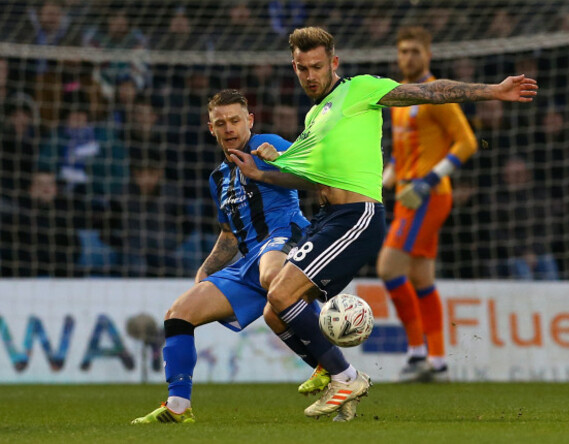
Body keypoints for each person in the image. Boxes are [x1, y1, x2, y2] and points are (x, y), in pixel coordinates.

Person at [230, 26, 537, 419]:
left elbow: (428, 91)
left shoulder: (360, 90)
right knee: (275, 312)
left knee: (281, 295)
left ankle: (346, 377)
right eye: (302, 68)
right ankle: (340, 382)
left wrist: (491, 91)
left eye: (317, 66)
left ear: (334, 63)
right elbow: (311, 178)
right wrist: (263, 175)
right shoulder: (313, 115)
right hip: (328, 218)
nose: (310, 75)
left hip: (357, 218)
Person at [131, 89, 315, 424]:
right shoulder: (219, 177)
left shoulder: (267, 144)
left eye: (235, 120)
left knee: (272, 273)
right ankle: (178, 406)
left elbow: (315, 176)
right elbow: (229, 236)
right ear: (210, 128)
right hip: (249, 261)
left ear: (250, 121)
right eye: (221, 123)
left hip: (285, 238)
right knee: (178, 313)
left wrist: (278, 160)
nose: (229, 128)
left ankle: (330, 364)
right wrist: (205, 272)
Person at [376, 26, 478, 382]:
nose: (408, 57)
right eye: (403, 51)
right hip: (409, 194)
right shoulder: (401, 99)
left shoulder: (439, 94)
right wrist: (382, 181)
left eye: (415, 51)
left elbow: (466, 143)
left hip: (428, 197)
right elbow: (403, 156)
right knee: (421, 278)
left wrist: (428, 181)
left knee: (389, 269)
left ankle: (417, 354)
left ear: (428, 55)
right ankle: (437, 363)